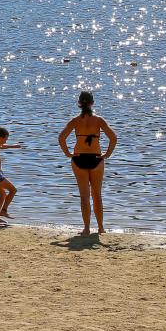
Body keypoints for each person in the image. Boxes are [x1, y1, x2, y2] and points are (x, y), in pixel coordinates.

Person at [58, 91, 117, 236]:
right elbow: (113, 138)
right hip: (96, 159)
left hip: (78, 159)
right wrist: (107, 155)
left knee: (84, 196)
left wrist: (68, 153)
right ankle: (101, 228)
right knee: (97, 195)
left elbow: (61, 138)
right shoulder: (98, 120)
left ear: (79, 103)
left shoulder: (74, 121)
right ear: (92, 103)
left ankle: (86, 228)